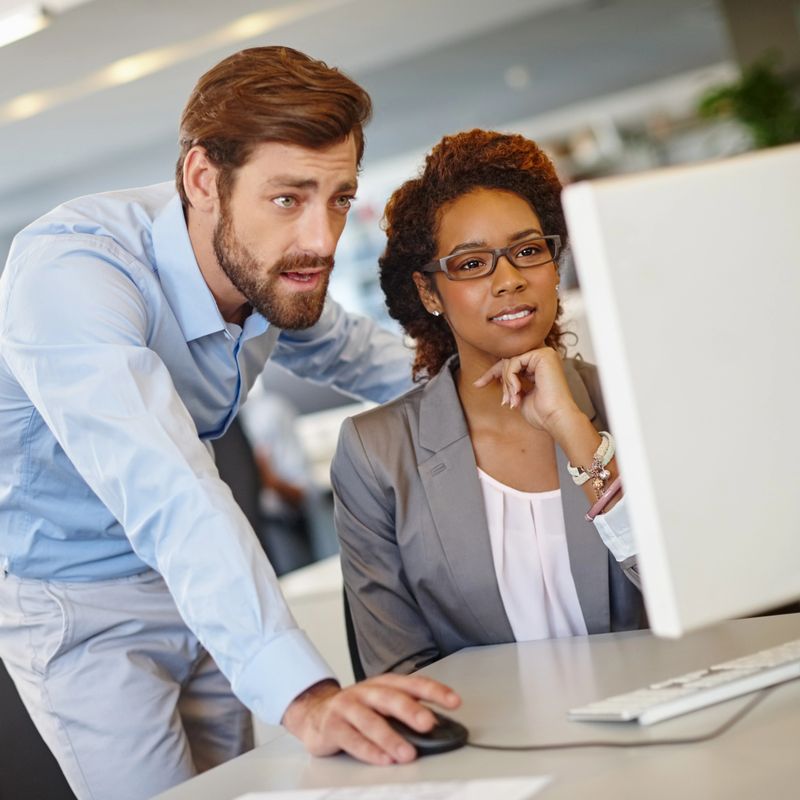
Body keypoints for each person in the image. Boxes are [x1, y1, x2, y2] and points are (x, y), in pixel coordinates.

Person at [0, 46, 460, 800]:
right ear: (203, 180)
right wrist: (305, 696)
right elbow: (166, 484)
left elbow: (356, 353)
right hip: (77, 601)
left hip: (196, 578)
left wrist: (501, 384)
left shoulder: (264, 267)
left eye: (339, 197)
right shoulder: (73, 274)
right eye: (289, 198)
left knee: (231, 788)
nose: (321, 236)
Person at [332, 129, 646, 677]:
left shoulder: (633, 400)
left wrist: (575, 432)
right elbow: (399, 674)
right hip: (496, 745)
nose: (509, 281)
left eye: (528, 252)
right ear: (430, 293)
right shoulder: (376, 453)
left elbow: (698, 596)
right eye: (472, 263)